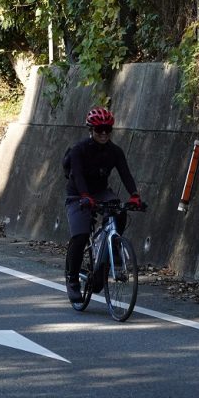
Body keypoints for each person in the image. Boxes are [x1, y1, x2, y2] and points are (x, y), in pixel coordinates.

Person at [64, 107, 142, 303]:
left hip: (101, 192)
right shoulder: (78, 150)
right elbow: (78, 176)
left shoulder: (115, 151)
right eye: (100, 129)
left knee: (120, 210)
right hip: (77, 195)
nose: (104, 133)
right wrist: (84, 196)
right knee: (80, 235)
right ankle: (72, 280)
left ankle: (112, 249)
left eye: (108, 129)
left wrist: (134, 195)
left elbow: (125, 174)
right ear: (91, 129)